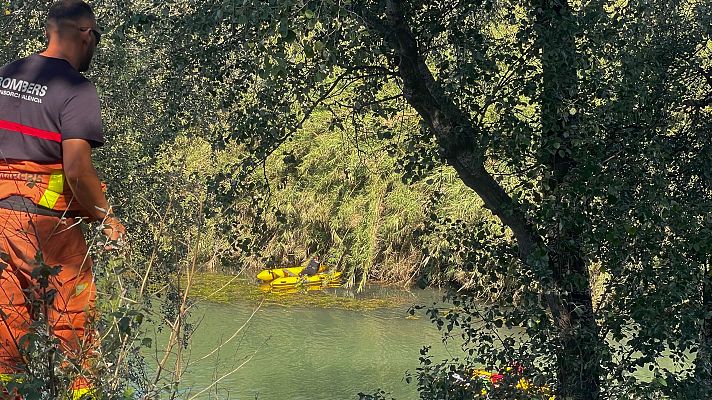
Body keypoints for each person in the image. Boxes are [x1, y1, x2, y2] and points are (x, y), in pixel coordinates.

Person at [0, 0, 124, 396]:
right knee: (74, 323)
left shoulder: (6, 75)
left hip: (1, 223)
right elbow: (76, 169)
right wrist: (106, 217)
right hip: (48, 225)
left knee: (8, 327)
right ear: (85, 35)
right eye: (97, 38)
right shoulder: (76, 89)